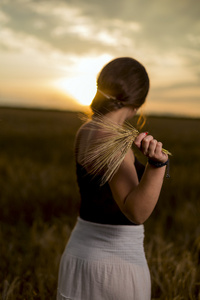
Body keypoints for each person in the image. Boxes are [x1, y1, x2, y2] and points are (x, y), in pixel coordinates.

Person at [57, 57, 169, 300]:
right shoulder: (113, 142)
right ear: (138, 102)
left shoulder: (86, 130)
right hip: (114, 267)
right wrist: (158, 165)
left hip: (78, 255)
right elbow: (136, 212)